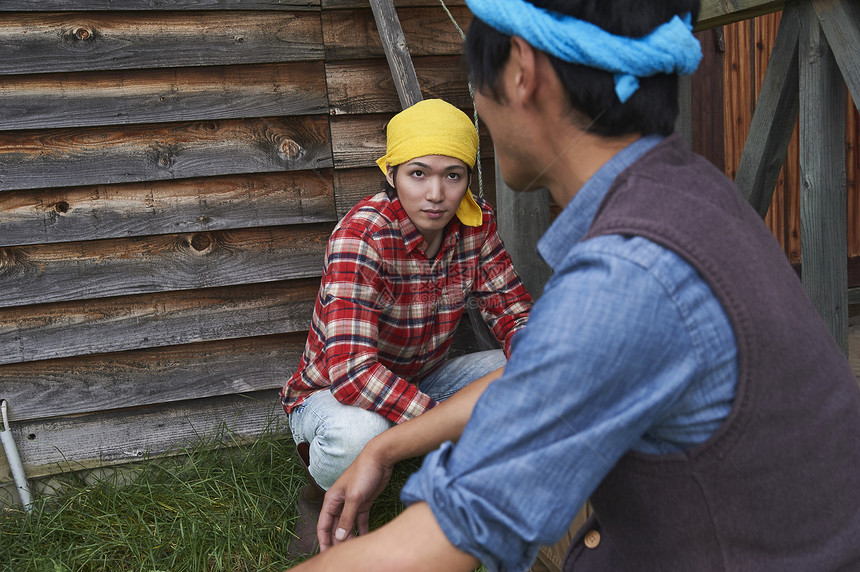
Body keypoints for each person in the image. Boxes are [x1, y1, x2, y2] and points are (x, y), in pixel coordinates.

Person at [290, 0, 860, 570]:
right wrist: (387, 445)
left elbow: (446, 534)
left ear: (519, 71)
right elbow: (539, 372)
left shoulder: (625, 278)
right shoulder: (692, 195)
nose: (439, 189)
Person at [280, 98, 533, 553]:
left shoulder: (476, 226)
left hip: (421, 378)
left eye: (452, 175)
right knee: (361, 434)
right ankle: (321, 493)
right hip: (331, 394)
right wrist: (442, 424)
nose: (436, 194)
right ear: (392, 175)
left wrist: (539, 370)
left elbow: (515, 314)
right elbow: (354, 373)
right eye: (419, 173)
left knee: (525, 370)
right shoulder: (362, 236)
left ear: (468, 180)